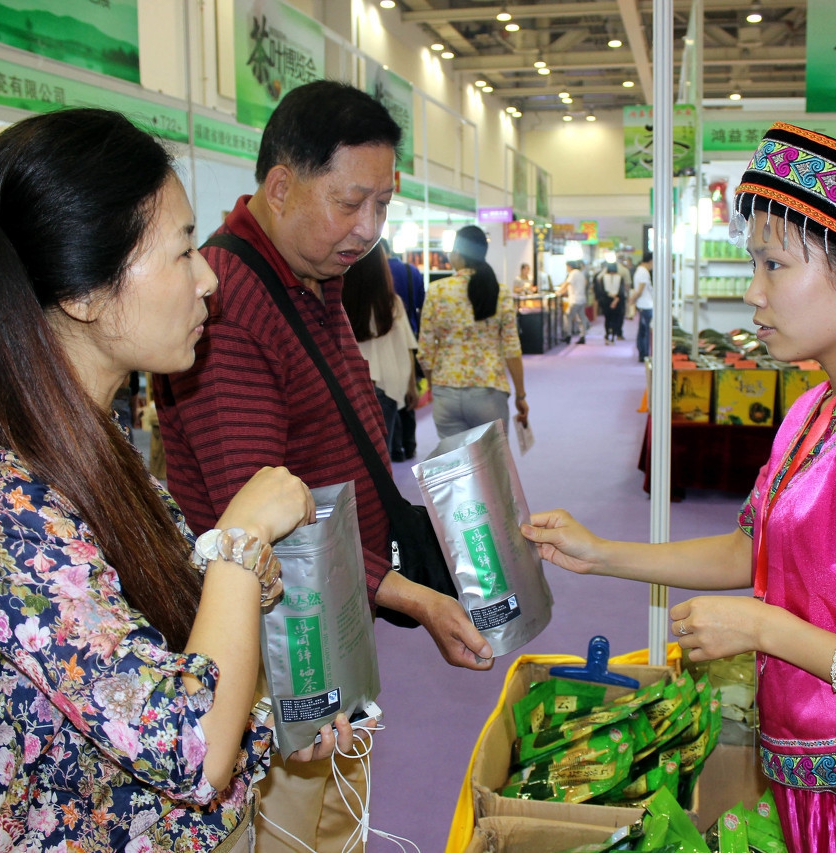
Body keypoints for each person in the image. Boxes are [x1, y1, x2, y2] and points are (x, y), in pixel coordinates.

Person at [0, 108, 357, 853]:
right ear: (84, 293)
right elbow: (187, 748)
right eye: (183, 250)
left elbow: (151, 673)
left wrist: (270, 727)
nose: (208, 277)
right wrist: (241, 539)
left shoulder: (84, 449)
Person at [524, 123, 836, 853]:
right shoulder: (818, 407)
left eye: (775, 265)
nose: (754, 293)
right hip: (813, 790)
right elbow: (759, 548)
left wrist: (763, 628)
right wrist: (601, 553)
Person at [152, 80, 494, 853]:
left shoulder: (311, 276)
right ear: (280, 185)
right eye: (350, 202)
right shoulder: (235, 297)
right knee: (281, 831)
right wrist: (416, 598)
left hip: (330, 606)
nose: (369, 229)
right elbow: (261, 520)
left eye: (383, 205)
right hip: (270, 630)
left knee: (335, 816)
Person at [418, 224, 529, 439]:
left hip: (446, 391)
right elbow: (512, 349)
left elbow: (425, 350)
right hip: (488, 388)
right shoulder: (500, 292)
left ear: (458, 254)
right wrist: (520, 394)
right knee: (493, 468)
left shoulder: (437, 290)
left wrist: (435, 384)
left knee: (456, 468)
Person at [343, 242, 419, 459]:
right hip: (388, 384)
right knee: (381, 455)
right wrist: (412, 385)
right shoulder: (392, 303)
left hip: (350, 384)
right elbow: (407, 347)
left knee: (354, 456)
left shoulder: (338, 301)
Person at [383, 237, 425, 461]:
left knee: (389, 393)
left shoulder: (372, 274)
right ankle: (410, 444)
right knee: (409, 391)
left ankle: (397, 447)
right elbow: (421, 302)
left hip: (383, 341)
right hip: (409, 334)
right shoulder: (411, 271)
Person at [630, 251, 654, 362]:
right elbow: (640, 291)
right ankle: (644, 353)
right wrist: (631, 300)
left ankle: (642, 352)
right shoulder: (644, 272)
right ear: (650, 261)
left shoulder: (639, 271)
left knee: (642, 330)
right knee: (645, 331)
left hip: (643, 304)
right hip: (646, 305)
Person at [558, 260, 590, 344]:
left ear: (569, 266)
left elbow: (567, 283)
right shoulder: (580, 273)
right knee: (581, 318)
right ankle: (582, 335)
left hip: (575, 300)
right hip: (582, 299)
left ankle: (568, 335)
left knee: (568, 316)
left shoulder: (573, 273)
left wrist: (559, 291)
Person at [594, 262, 626, 344]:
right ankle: (610, 335)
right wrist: (616, 299)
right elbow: (621, 291)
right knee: (612, 319)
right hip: (613, 301)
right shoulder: (619, 278)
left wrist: (613, 298)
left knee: (610, 319)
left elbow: (602, 291)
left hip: (608, 301)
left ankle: (610, 335)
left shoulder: (604, 278)